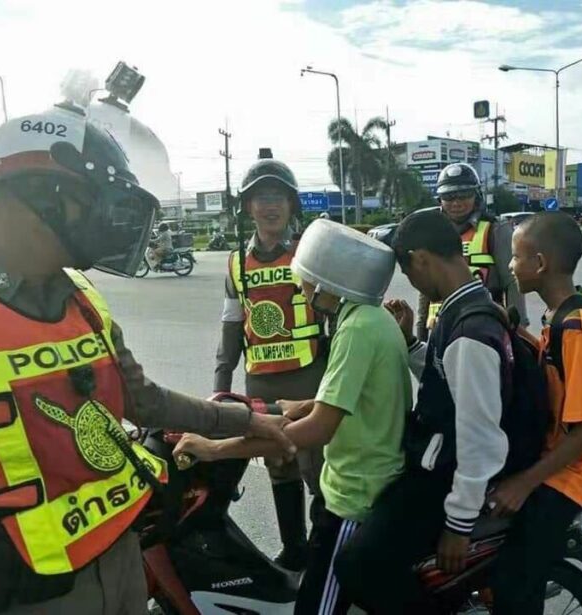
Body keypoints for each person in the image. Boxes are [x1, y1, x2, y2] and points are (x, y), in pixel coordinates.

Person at [0, 103, 294, 614]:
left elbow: (140, 400)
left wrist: (246, 418)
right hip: (27, 589)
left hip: (122, 557)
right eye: (95, 201)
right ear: (45, 196)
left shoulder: (81, 297)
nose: (111, 221)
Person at [175, 219, 411, 615]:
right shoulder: (365, 318)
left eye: (304, 281)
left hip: (355, 495)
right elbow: (335, 397)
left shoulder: (358, 330)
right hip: (355, 482)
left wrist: (215, 450)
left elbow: (317, 429)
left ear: (326, 283)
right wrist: (277, 408)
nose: (300, 291)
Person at [335, 209, 519, 614]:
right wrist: (412, 345)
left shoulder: (469, 332)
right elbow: (450, 380)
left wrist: (458, 525)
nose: (412, 283)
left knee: (356, 564)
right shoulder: (465, 308)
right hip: (435, 461)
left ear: (420, 258)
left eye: (408, 270)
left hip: (442, 478)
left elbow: (480, 440)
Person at [487, 211, 582, 614]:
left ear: (539, 264)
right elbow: (552, 364)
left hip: (572, 475)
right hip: (556, 462)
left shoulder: (578, 327)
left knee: (513, 578)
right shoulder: (562, 314)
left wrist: (525, 483)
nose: (509, 266)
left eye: (515, 257)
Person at [213, 158, 327, 571]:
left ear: (292, 204)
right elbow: (230, 330)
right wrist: (221, 389)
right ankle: (295, 550)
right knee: (279, 464)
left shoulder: (311, 253)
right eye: (261, 198)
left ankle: (324, 554)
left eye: (278, 196)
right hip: (261, 382)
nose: (270, 206)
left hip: (310, 377)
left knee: (317, 469)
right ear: (248, 207)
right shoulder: (235, 264)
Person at [416, 163, 525, 341]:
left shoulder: (496, 230)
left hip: (484, 330)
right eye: (449, 196)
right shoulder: (432, 233)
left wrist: (518, 333)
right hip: (439, 330)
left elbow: (512, 283)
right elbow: (425, 288)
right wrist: (421, 333)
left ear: (477, 195)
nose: (456, 202)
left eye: (464, 195)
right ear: (440, 200)